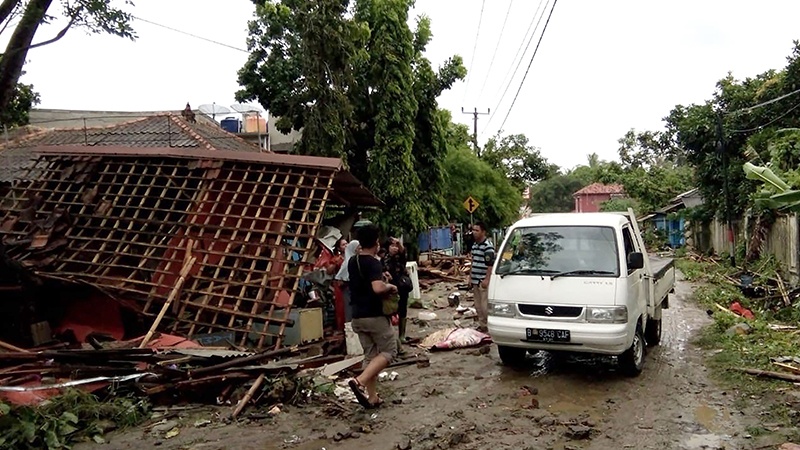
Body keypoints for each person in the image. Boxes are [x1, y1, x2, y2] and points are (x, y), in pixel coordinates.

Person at [347, 224, 398, 408]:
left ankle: (372, 397)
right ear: (376, 243)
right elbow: (377, 288)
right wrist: (390, 287)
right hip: (373, 316)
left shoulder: (353, 261)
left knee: (370, 356)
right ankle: (359, 381)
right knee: (389, 351)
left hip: (357, 316)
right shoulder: (373, 263)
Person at [382, 237, 411, 348]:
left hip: (402, 286)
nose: (395, 248)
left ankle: (402, 335)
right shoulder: (384, 258)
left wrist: (399, 244)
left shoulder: (400, 257)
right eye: (392, 246)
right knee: (390, 309)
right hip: (390, 287)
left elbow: (404, 252)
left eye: (396, 246)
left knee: (403, 309)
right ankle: (392, 335)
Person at [469, 221, 496, 333]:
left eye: (477, 230)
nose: (474, 233)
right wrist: (470, 277)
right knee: (478, 306)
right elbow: (473, 261)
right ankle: (482, 326)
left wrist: (487, 279)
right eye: (473, 230)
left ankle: (490, 326)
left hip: (482, 280)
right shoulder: (475, 245)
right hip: (475, 279)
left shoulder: (488, 246)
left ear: (483, 232)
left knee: (485, 307)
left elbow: (490, 265)